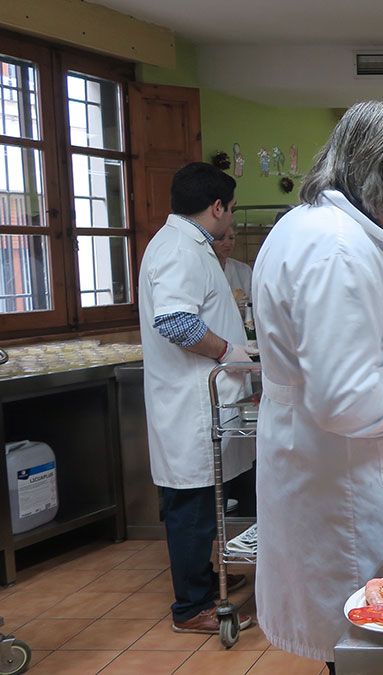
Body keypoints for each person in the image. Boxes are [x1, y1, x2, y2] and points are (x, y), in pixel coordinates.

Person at [251, 101, 383, 666]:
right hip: (342, 487)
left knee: (360, 644)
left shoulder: (318, 228)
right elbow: (342, 399)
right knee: (360, 645)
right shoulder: (337, 247)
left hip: (332, 468)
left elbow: (331, 352)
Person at [137, 162, 255, 634]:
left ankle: (206, 581)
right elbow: (175, 323)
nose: (231, 221)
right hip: (187, 404)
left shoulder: (190, 247)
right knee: (190, 507)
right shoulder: (178, 250)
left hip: (206, 399)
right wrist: (229, 350)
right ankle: (192, 606)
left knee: (206, 505)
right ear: (217, 206)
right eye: (231, 210)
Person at [211, 227, 253, 307]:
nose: (227, 243)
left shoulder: (244, 270)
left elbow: (252, 304)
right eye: (220, 238)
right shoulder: (202, 269)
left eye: (231, 238)